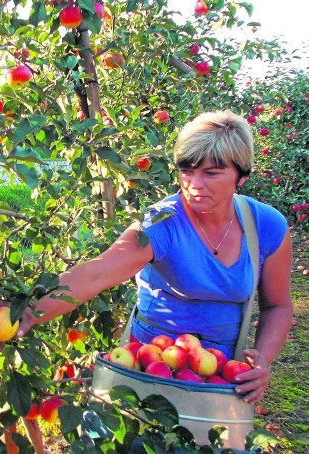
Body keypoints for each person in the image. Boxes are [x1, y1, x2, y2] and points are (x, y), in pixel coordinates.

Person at [15, 110, 293, 404]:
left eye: (211, 173)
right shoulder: (163, 221)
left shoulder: (265, 226)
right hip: (149, 362)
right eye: (187, 170)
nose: (195, 184)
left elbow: (277, 306)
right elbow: (98, 272)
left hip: (220, 372)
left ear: (242, 176)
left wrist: (261, 360)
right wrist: (29, 310)